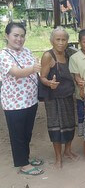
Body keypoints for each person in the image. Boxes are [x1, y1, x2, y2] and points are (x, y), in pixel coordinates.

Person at [0, 22, 43, 175]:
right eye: (15, 35)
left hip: (30, 100)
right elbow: (16, 72)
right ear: (7, 36)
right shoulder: (3, 55)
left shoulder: (26, 51)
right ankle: (23, 164)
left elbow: (35, 69)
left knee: (27, 132)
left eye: (22, 36)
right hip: (14, 103)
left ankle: (26, 157)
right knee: (17, 134)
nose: (19, 39)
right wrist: (33, 68)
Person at [40, 26, 77, 169]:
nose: (61, 42)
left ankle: (67, 151)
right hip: (53, 98)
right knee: (55, 127)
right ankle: (58, 158)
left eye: (64, 39)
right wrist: (49, 83)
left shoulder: (68, 54)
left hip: (67, 95)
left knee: (69, 124)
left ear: (67, 41)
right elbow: (42, 77)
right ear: (52, 41)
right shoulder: (48, 56)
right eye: (58, 39)